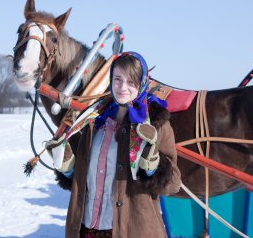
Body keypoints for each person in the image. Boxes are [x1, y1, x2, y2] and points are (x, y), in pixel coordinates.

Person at [48, 52, 181, 238]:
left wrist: (152, 167)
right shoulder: (93, 119)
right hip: (86, 230)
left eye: (131, 81)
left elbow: (173, 184)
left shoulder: (154, 123)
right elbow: (85, 179)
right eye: (118, 79)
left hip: (132, 230)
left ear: (142, 83)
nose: (122, 87)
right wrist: (68, 167)